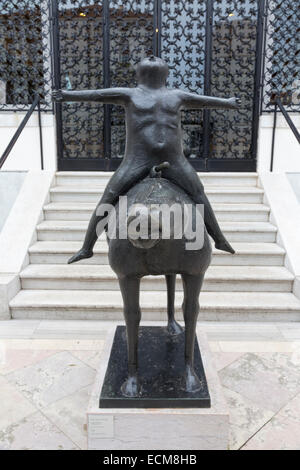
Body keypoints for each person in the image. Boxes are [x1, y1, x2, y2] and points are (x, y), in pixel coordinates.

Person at [53, 56, 240, 263]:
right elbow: (97, 95)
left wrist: (227, 103)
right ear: (141, 74)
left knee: (198, 194)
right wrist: (68, 94)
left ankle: (219, 238)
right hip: (137, 159)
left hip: (174, 159)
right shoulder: (131, 95)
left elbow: (204, 101)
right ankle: (87, 247)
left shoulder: (176, 96)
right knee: (108, 199)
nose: (152, 59)